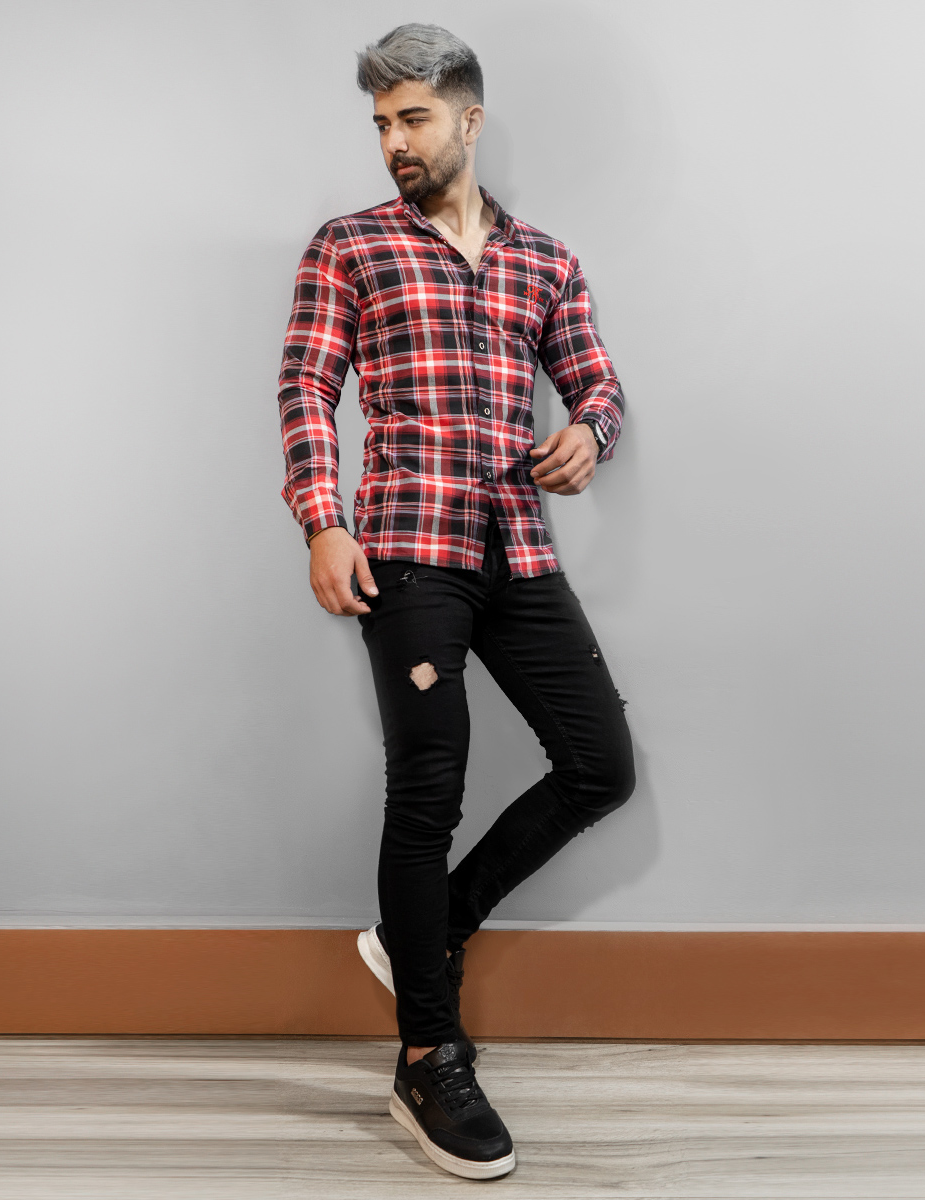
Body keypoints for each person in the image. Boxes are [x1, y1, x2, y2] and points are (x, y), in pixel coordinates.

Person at [278, 22, 635, 1181]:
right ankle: (427, 1055)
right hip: (406, 553)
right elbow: (306, 387)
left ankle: (422, 934)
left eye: (414, 117)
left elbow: (596, 382)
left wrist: (590, 431)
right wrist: (322, 519)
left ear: (469, 122)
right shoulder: (350, 246)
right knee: (428, 789)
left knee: (601, 766)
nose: (394, 139)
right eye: (381, 121)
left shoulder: (545, 261)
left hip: (519, 552)